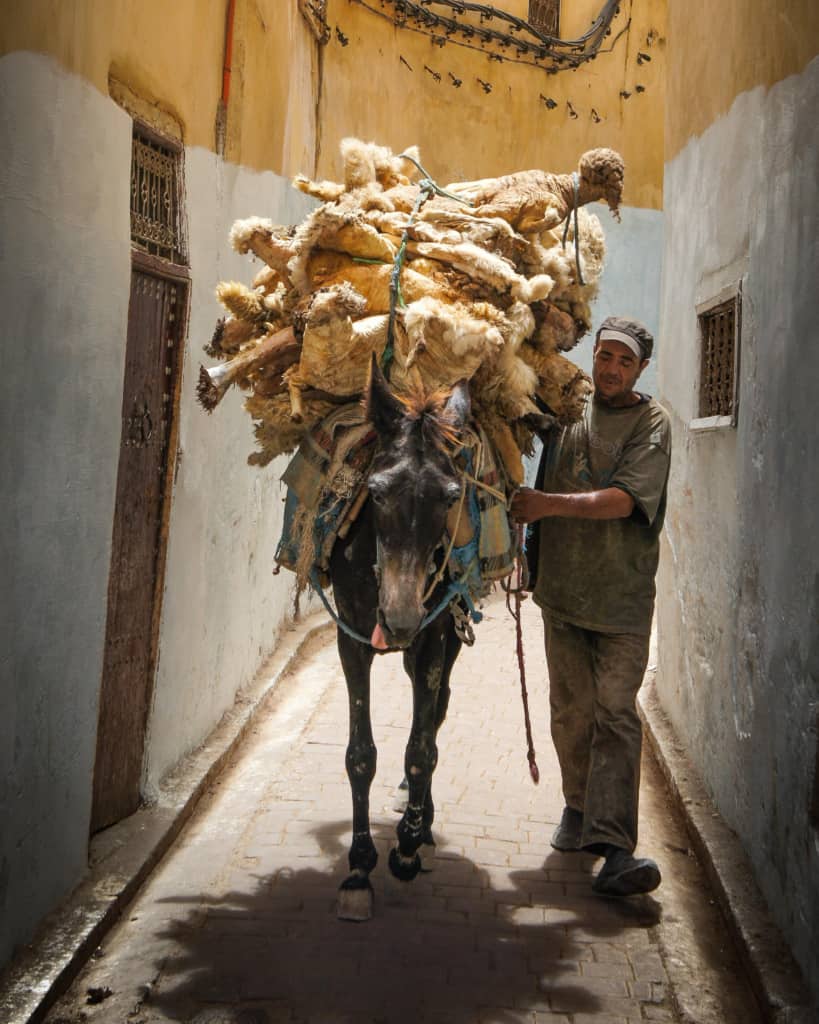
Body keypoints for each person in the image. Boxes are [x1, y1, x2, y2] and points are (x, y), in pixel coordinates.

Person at [511, 315, 671, 898]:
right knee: (570, 713)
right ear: (594, 354)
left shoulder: (651, 423)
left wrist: (546, 505)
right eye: (605, 356)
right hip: (562, 594)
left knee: (616, 714)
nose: (611, 370)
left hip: (622, 602)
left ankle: (616, 848)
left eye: (625, 362)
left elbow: (624, 501)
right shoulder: (568, 406)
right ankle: (577, 808)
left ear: (641, 369)